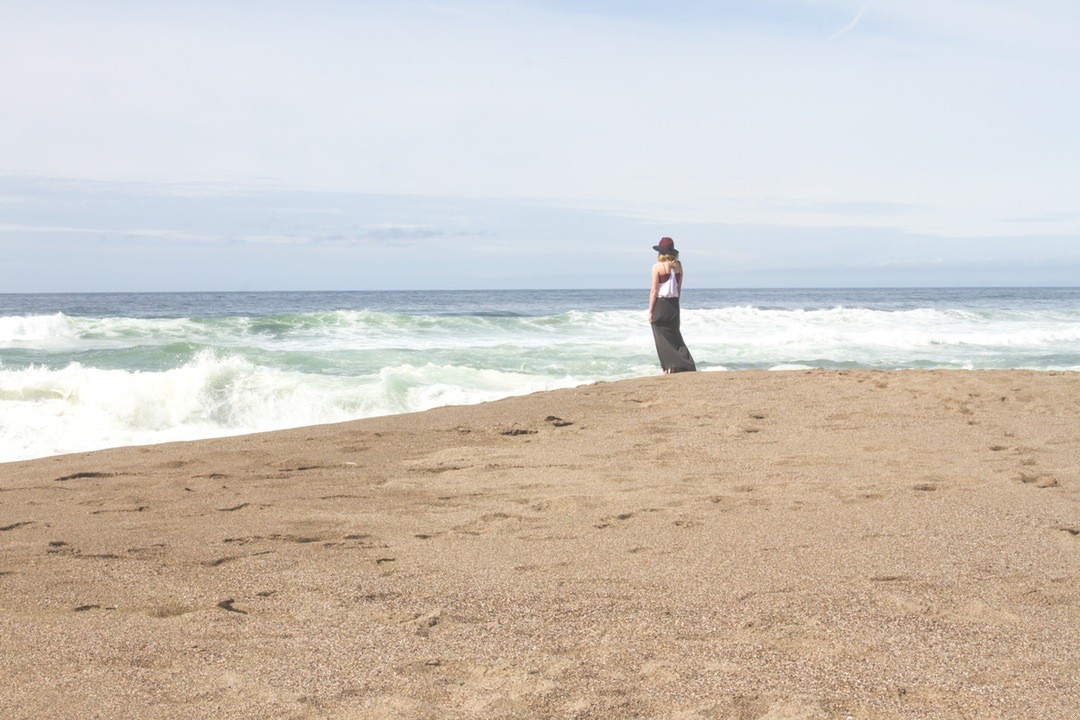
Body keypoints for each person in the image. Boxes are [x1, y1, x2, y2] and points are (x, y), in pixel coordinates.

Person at [648, 237, 696, 373]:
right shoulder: (678, 266)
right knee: (675, 337)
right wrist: (676, 306)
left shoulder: (657, 267)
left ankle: (665, 369)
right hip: (674, 305)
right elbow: (678, 289)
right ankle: (682, 365)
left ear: (661, 253)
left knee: (661, 338)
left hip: (661, 305)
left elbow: (654, 291)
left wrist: (650, 311)